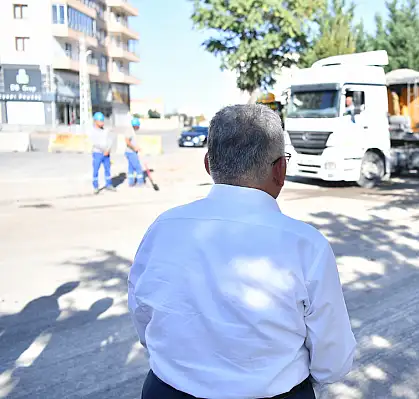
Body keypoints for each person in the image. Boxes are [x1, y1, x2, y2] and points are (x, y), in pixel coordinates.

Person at [128, 104, 356, 399]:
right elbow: (332, 360)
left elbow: (142, 311)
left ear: (209, 164)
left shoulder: (164, 227)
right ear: (281, 169)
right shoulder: (306, 244)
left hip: (167, 391)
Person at [89, 112, 114, 194]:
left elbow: (110, 140)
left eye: (103, 121)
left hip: (107, 154)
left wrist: (108, 149)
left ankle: (108, 184)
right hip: (98, 153)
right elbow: (95, 142)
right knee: (96, 170)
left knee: (108, 169)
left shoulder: (106, 131)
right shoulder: (92, 131)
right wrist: (104, 150)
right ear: (95, 121)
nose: (102, 122)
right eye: (100, 121)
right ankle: (96, 187)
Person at [125, 117, 145, 187]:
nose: (139, 127)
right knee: (138, 167)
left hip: (132, 152)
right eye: (138, 126)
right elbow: (127, 142)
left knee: (131, 168)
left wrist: (138, 148)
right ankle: (140, 182)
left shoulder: (132, 131)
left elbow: (133, 142)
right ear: (135, 125)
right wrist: (134, 148)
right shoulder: (129, 131)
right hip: (131, 152)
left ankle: (131, 182)